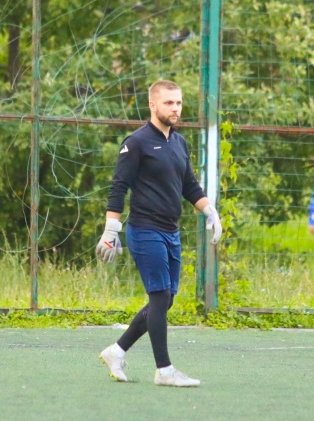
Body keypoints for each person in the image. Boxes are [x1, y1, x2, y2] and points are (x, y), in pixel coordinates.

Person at [95, 80, 222, 387]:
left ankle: (116, 351)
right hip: (144, 230)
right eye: (168, 103)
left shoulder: (179, 143)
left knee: (165, 301)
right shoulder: (136, 142)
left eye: (178, 102)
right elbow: (118, 186)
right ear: (153, 105)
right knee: (160, 295)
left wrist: (210, 211)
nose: (175, 108)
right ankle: (164, 371)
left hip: (170, 231)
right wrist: (111, 230)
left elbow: (189, 185)